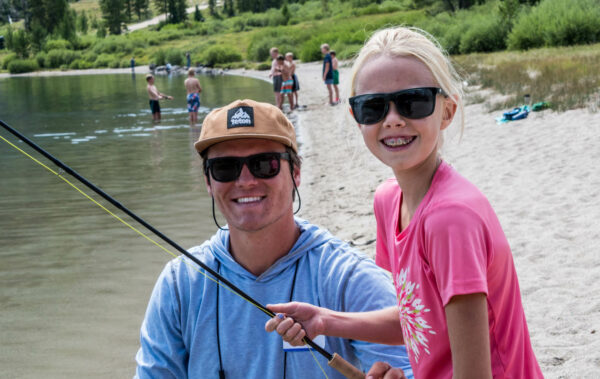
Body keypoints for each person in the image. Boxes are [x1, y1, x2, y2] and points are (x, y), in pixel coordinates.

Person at [266, 26, 543, 379]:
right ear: (357, 118)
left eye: (414, 101)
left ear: (447, 111)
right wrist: (324, 320)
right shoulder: (388, 200)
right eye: (373, 107)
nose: (393, 118)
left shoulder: (450, 219)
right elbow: (418, 317)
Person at [135, 99, 413, 379]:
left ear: (295, 173)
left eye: (263, 164)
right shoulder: (178, 284)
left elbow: (407, 366)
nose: (244, 180)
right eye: (224, 168)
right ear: (208, 182)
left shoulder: (349, 280)